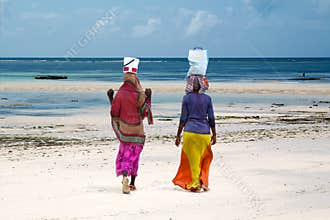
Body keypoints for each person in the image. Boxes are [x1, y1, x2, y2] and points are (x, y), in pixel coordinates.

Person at [173, 48, 216, 192]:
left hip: (190, 132)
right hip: (204, 133)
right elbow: (211, 118)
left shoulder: (186, 98)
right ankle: (203, 182)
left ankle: (196, 184)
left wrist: (178, 135)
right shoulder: (208, 99)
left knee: (193, 159)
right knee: (206, 157)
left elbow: (183, 118)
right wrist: (214, 134)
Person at [107, 57, 153, 194]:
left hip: (125, 132)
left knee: (124, 154)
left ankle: (125, 176)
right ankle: (132, 183)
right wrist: (149, 98)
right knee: (135, 156)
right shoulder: (139, 93)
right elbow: (144, 112)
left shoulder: (120, 93)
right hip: (137, 132)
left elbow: (115, 112)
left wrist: (111, 98)